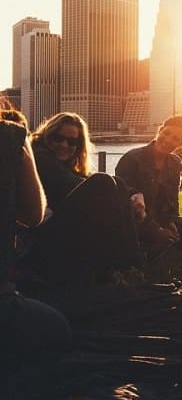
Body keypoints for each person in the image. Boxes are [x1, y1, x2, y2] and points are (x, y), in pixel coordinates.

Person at [26, 112, 143, 286]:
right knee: (104, 182)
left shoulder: (64, 165)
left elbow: (85, 179)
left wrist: (134, 193)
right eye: (58, 139)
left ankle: (127, 264)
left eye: (72, 142)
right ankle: (127, 265)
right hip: (39, 240)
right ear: (47, 136)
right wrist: (121, 197)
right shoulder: (39, 157)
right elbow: (74, 183)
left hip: (57, 233)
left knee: (114, 182)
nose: (64, 145)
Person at [0, 115, 71, 371]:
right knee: (55, 331)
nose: (65, 145)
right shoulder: (10, 136)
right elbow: (33, 215)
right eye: (58, 138)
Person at [115, 115, 182, 259]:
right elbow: (128, 205)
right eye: (166, 133)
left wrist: (171, 222)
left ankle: (164, 244)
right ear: (160, 131)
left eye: (175, 138)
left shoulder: (175, 163)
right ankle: (159, 245)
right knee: (135, 233)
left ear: (180, 144)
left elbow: (173, 200)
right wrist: (158, 231)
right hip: (136, 221)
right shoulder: (132, 159)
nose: (168, 140)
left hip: (160, 219)